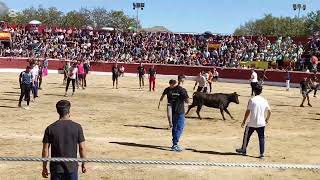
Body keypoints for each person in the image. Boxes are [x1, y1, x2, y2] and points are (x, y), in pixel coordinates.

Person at [42, 100, 86, 179]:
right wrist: (83, 163)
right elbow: (82, 148)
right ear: (69, 111)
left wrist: (44, 166)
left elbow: (45, 150)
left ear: (57, 111)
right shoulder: (77, 127)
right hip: (72, 168)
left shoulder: (50, 128)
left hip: (56, 168)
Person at [236, 85, 271, 159]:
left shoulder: (252, 100)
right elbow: (269, 111)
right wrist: (267, 119)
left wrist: (244, 121)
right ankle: (261, 154)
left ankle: (243, 149)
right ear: (261, 91)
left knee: (247, 136)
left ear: (254, 91)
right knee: (261, 138)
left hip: (252, 122)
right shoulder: (264, 100)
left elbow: (248, 111)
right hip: (261, 123)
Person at [169, 80, 189, 152]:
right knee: (180, 127)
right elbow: (187, 100)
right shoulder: (182, 90)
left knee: (175, 127)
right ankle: (175, 144)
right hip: (180, 111)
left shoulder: (170, 91)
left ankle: (174, 143)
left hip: (173, 111)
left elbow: (169, 103)